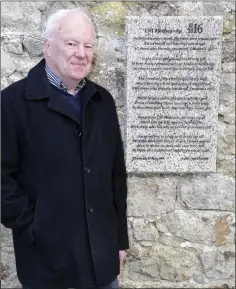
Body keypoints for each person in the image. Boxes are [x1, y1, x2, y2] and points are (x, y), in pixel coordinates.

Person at [1, 8, 129, 289]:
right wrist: (36, 226)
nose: (81, 53)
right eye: (71, 43)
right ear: (47, 46)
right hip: (47, 266)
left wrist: (119, 241)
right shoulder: (11, 104)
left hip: (102, 265)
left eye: (88, 45)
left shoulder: (102, 101)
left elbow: (116, 176)